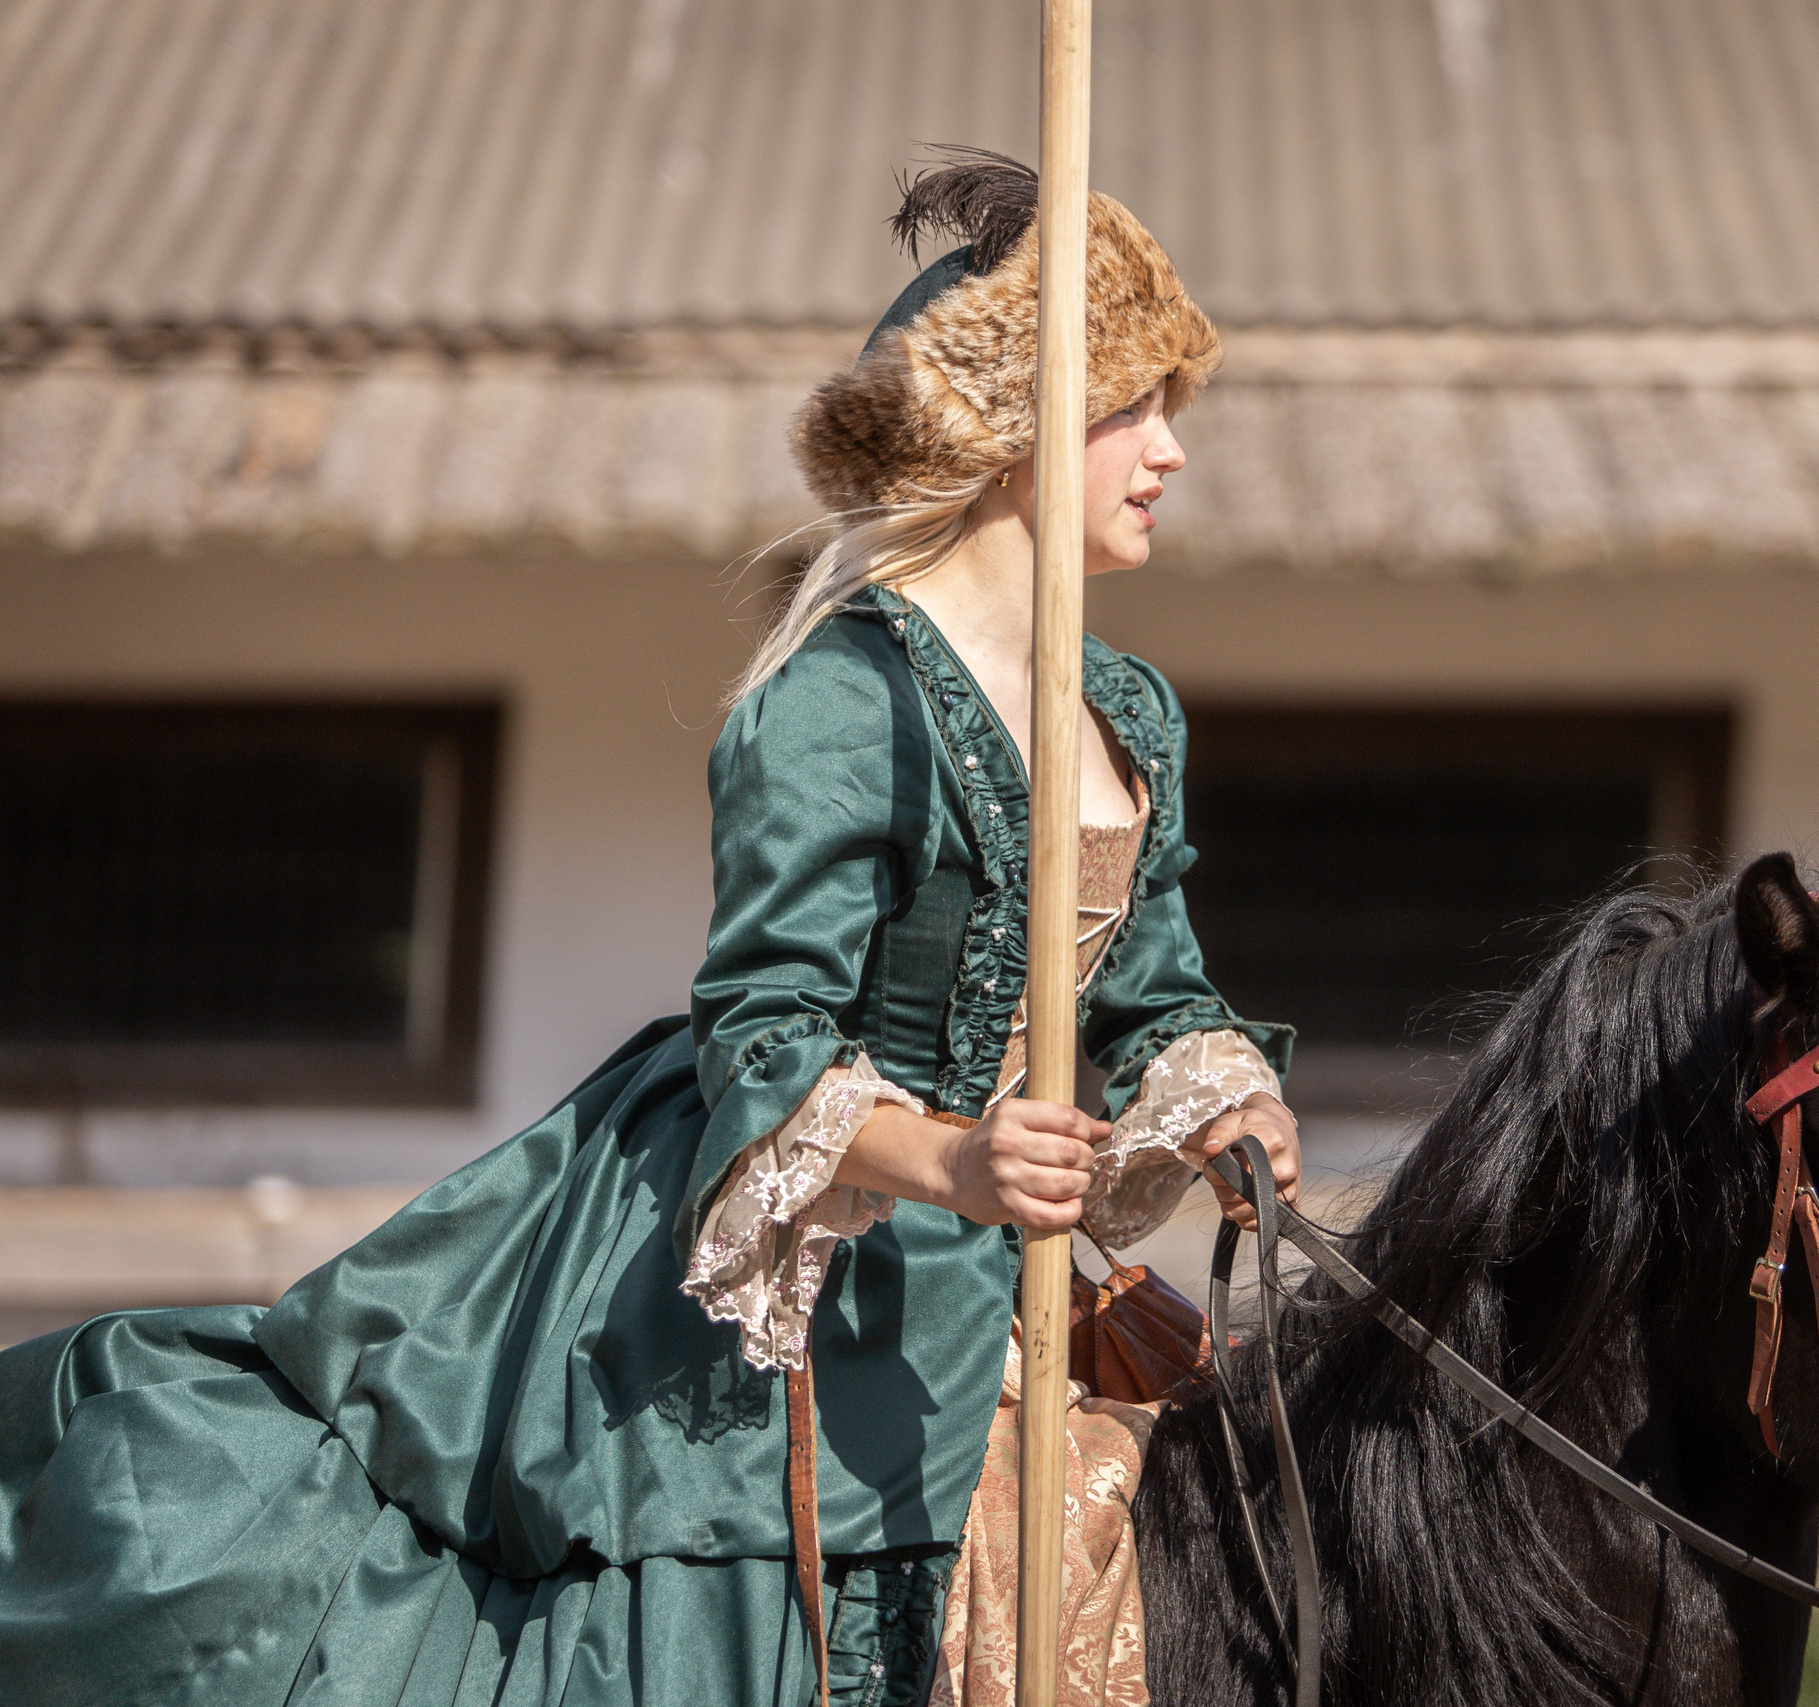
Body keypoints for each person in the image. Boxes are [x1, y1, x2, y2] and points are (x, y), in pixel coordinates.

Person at [0, 150, 1299, 1707]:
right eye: (1132, 410)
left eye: (1176, 415)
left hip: (1009, 1291)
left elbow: (1155, 986)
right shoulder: (839, 701)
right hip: (799, 1264)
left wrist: (1228, 1101)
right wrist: (955, 1160)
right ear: (1009, 426)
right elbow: (764, 1034)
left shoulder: (1124, 708)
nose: (1169, 456)